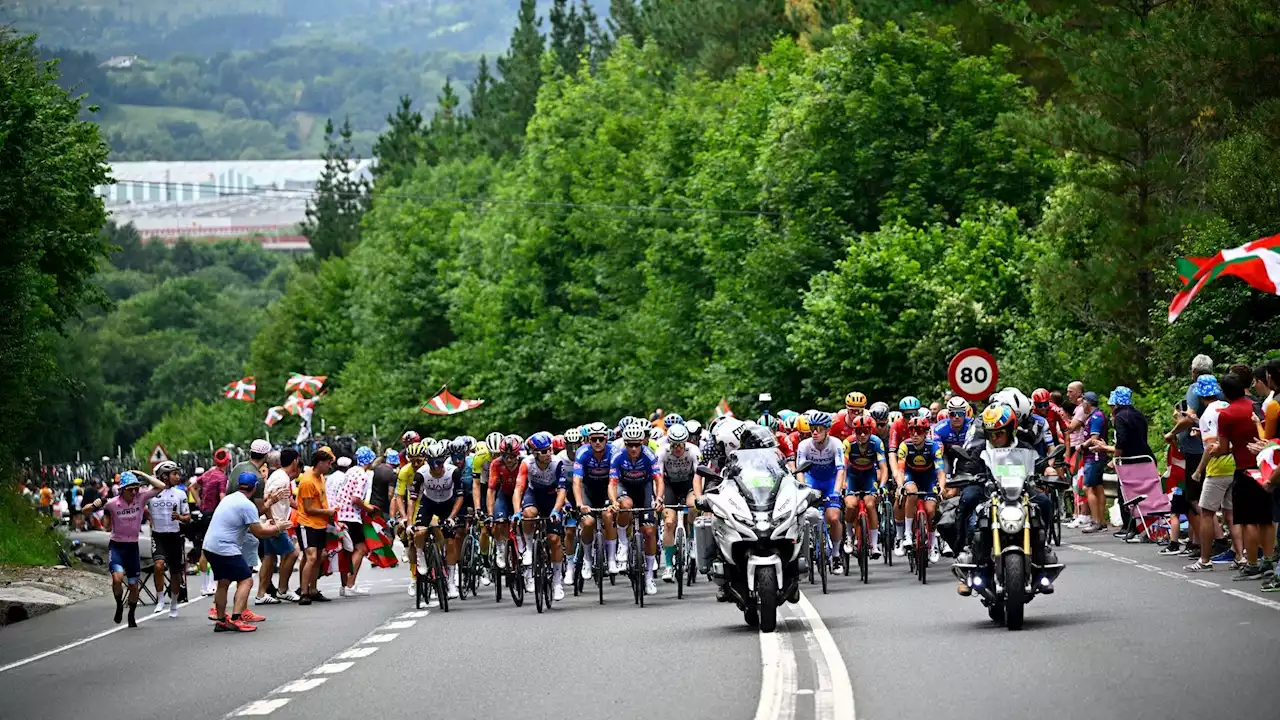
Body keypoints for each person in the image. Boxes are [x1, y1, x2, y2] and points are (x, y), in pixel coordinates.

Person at [202, 471, 292, 633]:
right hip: (225, 548)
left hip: (210, 546)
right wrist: (278, 527)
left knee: (223, 582)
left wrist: (270, 512)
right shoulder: (247, 505)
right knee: (246, 580)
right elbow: (259, 532)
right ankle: (236, 618)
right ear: (255, 487)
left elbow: (252, 523)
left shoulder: (230, 498)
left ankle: (221, 620)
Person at [80, 470, 167, 627]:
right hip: (117, 546)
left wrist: (141, 474)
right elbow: (84, 510)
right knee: (117, 578)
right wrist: (94, 505)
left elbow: (161, 486)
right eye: (130, 489)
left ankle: (131, 615)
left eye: (136, 488)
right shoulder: (113, 503)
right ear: (122, 490)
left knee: (134, 585)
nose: (134, 492)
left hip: (132, 547)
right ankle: (119, 604)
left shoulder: (140, 498)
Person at [1211, 373, 1274, 580]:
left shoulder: (1226, 414)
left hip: (1244, 468)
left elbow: (1222, 447)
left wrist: (1214, 451)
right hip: (1265, 466)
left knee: (1248, 520)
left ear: (1225, 393)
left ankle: (1253, 563)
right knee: (1266, 518)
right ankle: (1268, 560)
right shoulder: (1257, 406)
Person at [1184, 376, 1241, 571]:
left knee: (1207, 513)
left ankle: (1205, 559)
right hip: (1235, 464)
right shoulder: (1225, 405)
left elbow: (1210, 448)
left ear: (1200, 395)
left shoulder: (1208, 413)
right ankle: (1240, 556)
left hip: (1217, 468)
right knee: (1231, 514)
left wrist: (1199, 470)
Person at [610, 423, 663, 595]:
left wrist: (659, 498)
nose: (633, 448)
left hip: (644, 488)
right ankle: (623, 544)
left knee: (648, 531)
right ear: (624, 444)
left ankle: (649, 577)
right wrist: (613, 501)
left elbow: (658, 480)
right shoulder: (617, 456)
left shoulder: (649, 455)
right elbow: (612, 483)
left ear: (642, 443)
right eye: (629, 444)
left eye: (637, 444)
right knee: (625, 506)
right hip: (625, 487)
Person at [515, 432, 569, 600]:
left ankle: (557, 582)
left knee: (554, 540)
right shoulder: (526, 463)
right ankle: (529, 549)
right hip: (534, 495)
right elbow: (519, 488)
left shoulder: (557, 463)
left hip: (553, 496)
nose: (549, 453)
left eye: (550, 449)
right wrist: (517, 511)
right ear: (535, 453)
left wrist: (556, 510)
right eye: (544, 451)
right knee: (528, 514)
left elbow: (562, 490)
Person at [411, 441, 465, 600]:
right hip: (428, 504)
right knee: (419, 532)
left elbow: (460, 496)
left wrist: (451, 518)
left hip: (448, 505)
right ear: (427, 462)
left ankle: (450, 582)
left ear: (444, 460)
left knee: (450, 541)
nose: (436, 466)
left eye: (440, 462)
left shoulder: (453, 472)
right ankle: (420, 556)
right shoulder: (421, 474)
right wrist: (409, 523)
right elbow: (412, 499)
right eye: (433, 462)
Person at [796, 411, 847, 573]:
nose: (815, 432)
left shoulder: (836, 444)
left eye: (818, 429)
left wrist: (837, 492)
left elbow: (841, 470)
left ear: (827, 430)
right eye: (812, 429)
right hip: (812, 481)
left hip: (831, 482)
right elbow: (800, 472)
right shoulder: (804, 445)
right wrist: (803, 490)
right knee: (808, 518)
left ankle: (837, 555)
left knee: (833, 517)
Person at [894, 415, 947, 562]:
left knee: (931, 510)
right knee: (910, 493)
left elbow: (940, 471)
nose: (915, 435)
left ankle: (933, 545)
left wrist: (941, 486)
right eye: (912, 431)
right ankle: (907, 534)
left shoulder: (933, 446)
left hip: (928, 477)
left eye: (919, 431)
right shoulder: (905, 445)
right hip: (911, 476)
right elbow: (900, 469)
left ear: (925, 433)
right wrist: (899, 485)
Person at [257, 449, 302, 604]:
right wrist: (274, 523)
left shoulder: (281, 477)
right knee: (292, 553)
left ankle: (261, 594)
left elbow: (285, 499)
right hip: (275, 523)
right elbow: (267, 500)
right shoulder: (281, 478)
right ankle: (282, 590)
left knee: (269, 558)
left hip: (273, 522)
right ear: (295, 461)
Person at [658, 423, 702, 582]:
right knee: (669, 522)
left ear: (686, 442)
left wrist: (699, 497)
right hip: (669, 485)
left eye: (680, 445)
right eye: (674, 445)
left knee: (693, 506)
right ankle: (669, 566)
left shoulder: (694, 451)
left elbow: (698, 477)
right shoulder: (662, 451)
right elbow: (659, 478)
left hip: (688, 483)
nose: (677, 449)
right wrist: (659, 498)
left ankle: (691, 542)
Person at [146, 461, 190, 617]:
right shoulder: (151, 493)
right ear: (164, 476)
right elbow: (141, 506)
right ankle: (160, 600)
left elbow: (187, 517)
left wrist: (179, 517)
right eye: (174, 474)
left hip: (174, 535)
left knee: (175, 572)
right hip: (158, 535)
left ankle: (173, 604)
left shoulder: (180, 493)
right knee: (158, 566)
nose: (178, 477)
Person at [295, 447, 337, 605]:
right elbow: (308, 509)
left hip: (321, 523)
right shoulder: (307, 481)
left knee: (319, 557)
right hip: (307, 523)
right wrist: (328, 512)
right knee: (311, 557)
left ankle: (313, 589)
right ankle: (304, 592)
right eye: (328, 463)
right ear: (320, 463)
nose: (330, 466)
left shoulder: (321, 477)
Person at [842, 415, 887, 559]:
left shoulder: (876, 442)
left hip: (869, 475)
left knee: (870, 504)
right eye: (859, 431)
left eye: (866, 431)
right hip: (852, 475)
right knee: (850, 505)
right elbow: (842, 466)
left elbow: (883, 467)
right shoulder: (848, 442)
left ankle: (874, 545)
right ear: (854, 431)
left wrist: (883, 485)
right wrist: (843, 484)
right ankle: (849, 535)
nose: (862, 434)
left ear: (870, 431)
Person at [335, 446, 377, 596]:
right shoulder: (362, 475)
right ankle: (350, 585)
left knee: (347, 551)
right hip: (351, 516)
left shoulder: (351, 471)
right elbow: (356, 499)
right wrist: (368, 509)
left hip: (340, 514)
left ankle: (344, 585)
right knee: (361, 549)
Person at [193, 449, 232, 594]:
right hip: (215, 515)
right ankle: (211, 584)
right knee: (214, 551)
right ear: (227, 462)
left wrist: (199, 503)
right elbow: (222, 498)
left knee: (204, 550)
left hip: (204, 514)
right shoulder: (222, 477)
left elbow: (193, 487)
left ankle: (204, 586)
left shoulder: (208, 473)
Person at [1077, 392, 1111, 533]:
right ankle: (1101, 521)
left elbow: (1094, 437)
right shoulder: (1095, 416)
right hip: (1094, 456)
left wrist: (1083, 446)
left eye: (1083, 403)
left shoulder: (1096, 417)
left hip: (1094, 456)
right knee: (1097, 487)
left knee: (1088, 488)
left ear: (1087, 403)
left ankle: (1096, 521)